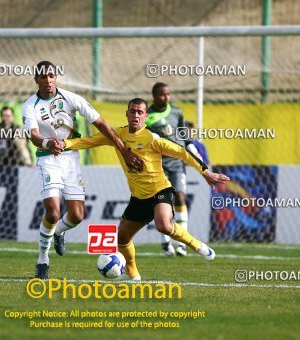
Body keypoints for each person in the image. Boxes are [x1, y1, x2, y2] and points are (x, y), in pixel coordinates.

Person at [51, 98, 230, 280]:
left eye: (140, 112)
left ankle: (197, 245)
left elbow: (182, 152)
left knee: (164, 225)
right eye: (133, 111)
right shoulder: (117, 136)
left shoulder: (152, 139)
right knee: (121, 238)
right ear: (127, 114)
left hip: (161, 191)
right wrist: (65, 144)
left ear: (145, 116)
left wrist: (205, 172)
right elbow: (88, 141)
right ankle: (133, 275)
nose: (136, 115)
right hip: (138, 198)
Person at [21, 60, 143, 279]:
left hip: (71, 159)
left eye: (51, 76)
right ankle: (42, 260)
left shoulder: (70, 98)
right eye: (43, 77)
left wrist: (123, 149)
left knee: (77, 215)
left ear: (56, 77)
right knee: (53, 211)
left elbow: (101, 123)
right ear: (36, 80)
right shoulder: (30, 105)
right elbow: (34, 136)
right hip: (48, 159)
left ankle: (58, 232)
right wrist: (49, 143)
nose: (48, 80)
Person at [146, 83, 189, 257]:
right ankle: (166, 244)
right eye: (163, 94)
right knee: (163, 202)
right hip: (158, 165)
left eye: (168, 94)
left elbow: (182, 135)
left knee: (180, 197)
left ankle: (182, 243)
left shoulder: (177, 112)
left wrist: (187, 152)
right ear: (154, 96)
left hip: (177, 164)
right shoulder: (147, 116)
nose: (166, 97)